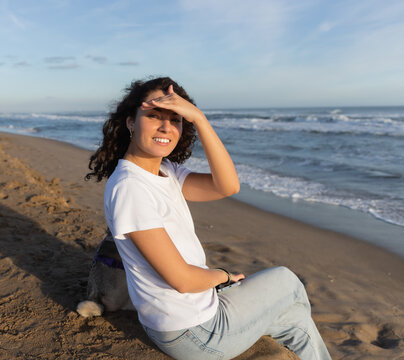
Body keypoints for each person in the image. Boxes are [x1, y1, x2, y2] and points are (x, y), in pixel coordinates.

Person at [86, 77, 331, 360]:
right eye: (154, 116)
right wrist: (224, 277)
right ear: (131, 122)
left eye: (176, 119)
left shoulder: (165, 172)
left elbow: (227, 186)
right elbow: (183, 280)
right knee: (287, 281)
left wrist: (200, 120)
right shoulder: (130, 187)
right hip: (192, 332)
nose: (166, 127)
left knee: (297, 323)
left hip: (198, 313)